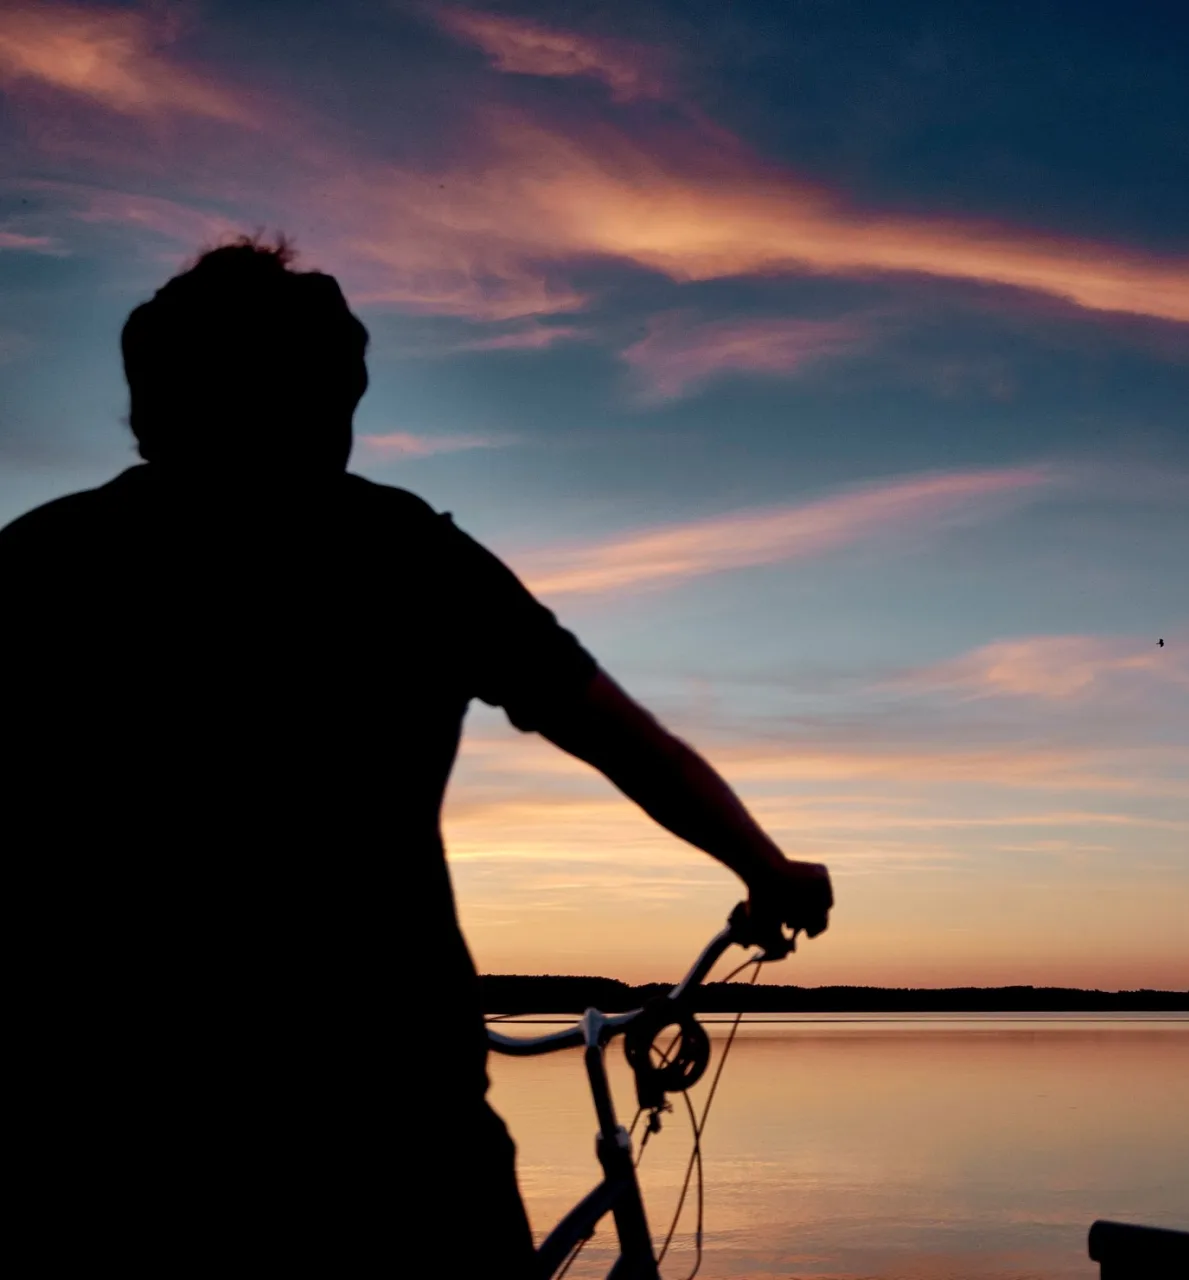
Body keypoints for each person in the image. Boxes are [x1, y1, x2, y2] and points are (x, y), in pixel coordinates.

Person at [0, 237, 831, 1277]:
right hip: (393, 1108)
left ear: (149, 406)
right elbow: (625, 740)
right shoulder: (405, 553)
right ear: (316, 400)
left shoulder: (40, 560)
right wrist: (763, 865)